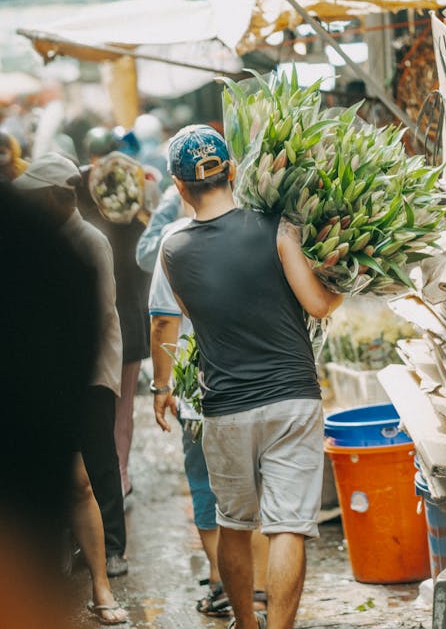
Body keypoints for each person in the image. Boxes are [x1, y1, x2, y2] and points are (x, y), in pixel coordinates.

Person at [157, 125, 343, 629]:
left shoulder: (172, 252)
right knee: (289, 527)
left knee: (234, 524)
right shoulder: (278, 229)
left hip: (224, 409)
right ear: (233, 172)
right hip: (292, 400)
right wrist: (345, 275)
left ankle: (244, 622)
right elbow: (319, 306)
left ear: (178, 186)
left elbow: (185, 310)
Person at [0, 181, 126, 627]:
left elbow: (90, 314)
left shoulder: (62, 245)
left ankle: (100, 586)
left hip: (42, 396)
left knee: (81, 483)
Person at [149, 210, 269, 618]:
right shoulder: (263, 225)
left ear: (180, 188)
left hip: (202, 392)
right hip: (261, 385)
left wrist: (162, 387)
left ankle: (222, 586)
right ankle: (259, 592)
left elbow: (165, 319)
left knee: (207, 486)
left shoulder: (175, 239)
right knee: (258, 491)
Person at [80, 130, 152, 526]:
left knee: (108, 410)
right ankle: (120, 477)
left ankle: (113, 479)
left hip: (111, 324)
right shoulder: (136, 213)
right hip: (129, 322)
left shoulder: (85, 212)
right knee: (121, 411)